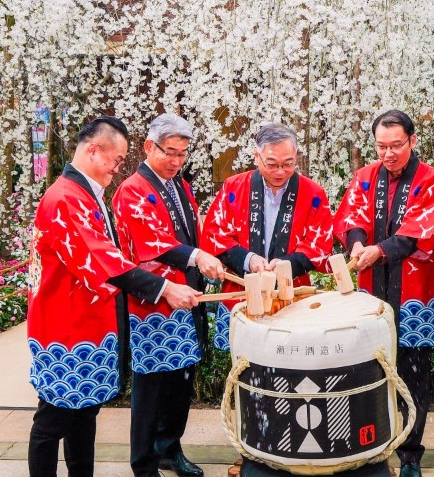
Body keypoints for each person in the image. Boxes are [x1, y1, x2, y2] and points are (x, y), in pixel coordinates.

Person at [26, 116, 201, 477]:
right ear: (93, 150)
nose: (119, 167)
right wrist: (165, 288)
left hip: (87, 322)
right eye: (117, 159)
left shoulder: (84, 193)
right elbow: (103, 260)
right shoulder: (64, 198)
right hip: (65, 326)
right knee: (53, 419)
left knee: (83, 415)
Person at [333, 109, 434, 477]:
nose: (388, 153)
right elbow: (350, 217)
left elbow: (419, 231)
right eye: (381, 146)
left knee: (413, 378)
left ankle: (411, 456)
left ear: (413, 141)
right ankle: (370, 446)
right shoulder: (365, 176)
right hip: (369, 293)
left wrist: (378, 251)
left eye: (396, 145)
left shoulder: (431, 180)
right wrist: (356, 243)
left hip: (414, 293)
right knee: (365, 372)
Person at [113, 114, 224, 477]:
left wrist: (203, 261)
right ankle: (143, 463)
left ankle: (169, 449)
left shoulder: (179, 185)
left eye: (182, 153)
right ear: (149, 147)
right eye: (169, 152)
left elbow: (192, 233)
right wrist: (196, 256)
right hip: (151, 303)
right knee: (151, 387)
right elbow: (151, 241)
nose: (176, 161)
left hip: (185, 294)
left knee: (181, 381)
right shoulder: (132, 188)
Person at [200, 123, 333, 349]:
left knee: (290, 362)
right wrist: (249, 260)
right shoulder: (233, 188)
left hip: (293, 293)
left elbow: (320, 245)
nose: (280, 172)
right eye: (272, 164)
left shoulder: (313, 194)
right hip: (241, 292)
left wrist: (286, 265)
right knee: (240, 365)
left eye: (288, 164)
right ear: (256, 157)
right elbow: (214, 235)